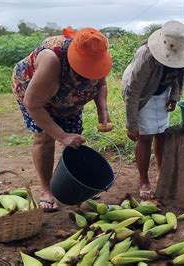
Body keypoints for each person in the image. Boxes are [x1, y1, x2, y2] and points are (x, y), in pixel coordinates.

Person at [12, 27, 113, 212]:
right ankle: (46, 189)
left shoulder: (98, 53)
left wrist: (102, 110)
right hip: (36, 96)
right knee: (45, 137)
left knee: (74, 139)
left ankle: (75, 183)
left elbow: (101, 84)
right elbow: (33, 104)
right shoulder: (52, 60)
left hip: (70, 98)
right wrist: (61, 135)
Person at [122, 20, 184, 200]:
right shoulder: (147, 56)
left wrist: (174, 96)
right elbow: (133, 91)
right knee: (144, 137)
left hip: (163, 92)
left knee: (162, 134)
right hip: (143, 95)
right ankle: (144, 181)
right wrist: (131, 124)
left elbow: (181, 75)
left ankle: (162, 173)